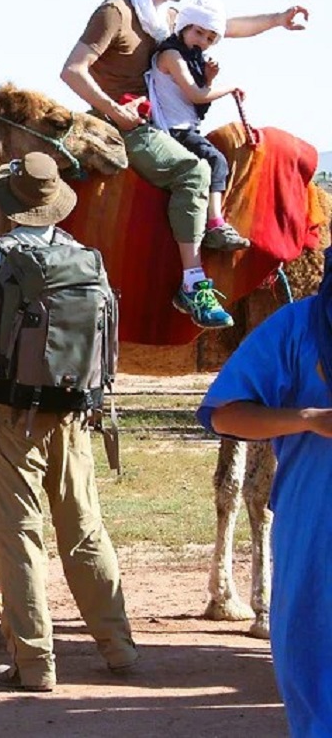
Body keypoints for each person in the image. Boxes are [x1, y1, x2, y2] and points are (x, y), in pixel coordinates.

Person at [0, 152, 137, 692]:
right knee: (84, 529)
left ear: (11, 204)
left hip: (12, 413)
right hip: (76, 412)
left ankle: (34, 665)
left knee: (17, 533)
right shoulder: (88, 258)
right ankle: (119, 648)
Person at [60, 0, 308, 329]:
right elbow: (72, 70)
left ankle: (211, 228)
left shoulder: (170, 19)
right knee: (194, 171)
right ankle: (193, 285)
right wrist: (114, 110)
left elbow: (228, 27)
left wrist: (277, 20)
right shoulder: (116, 12)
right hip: (119, 124)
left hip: (160, 120)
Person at [197, 246, 332, 737]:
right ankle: (193, 281)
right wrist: (308, 420)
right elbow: (226, 412)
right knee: (315, 662)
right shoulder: (299, 327)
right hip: (316, 527)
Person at [145, 0, 248, 251]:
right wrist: (229, 88)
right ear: (184, 27)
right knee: (216, 161)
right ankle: (215, 224)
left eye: (210, 38)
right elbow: (195, 96)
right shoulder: (171, 54)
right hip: (174, 131)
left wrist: (210, 80)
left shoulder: (191, 59)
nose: (202, 41)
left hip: (186, 127)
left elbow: (196, 98)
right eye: (198, 32)